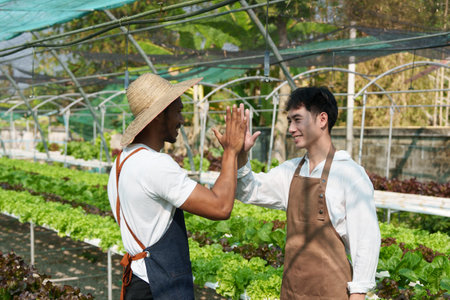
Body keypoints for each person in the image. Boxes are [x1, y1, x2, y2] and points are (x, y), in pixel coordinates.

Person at [107, 73, 246, 300]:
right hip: (159, 287)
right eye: (178, 111)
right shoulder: (155, 165)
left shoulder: (122, 162)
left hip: (138, 282)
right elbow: (220, 207)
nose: (182, 120)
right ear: (160, 115)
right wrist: (230, 151)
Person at [236, 87, 380, 300]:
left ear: (322, 119)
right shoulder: (290, 171)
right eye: (290, 121)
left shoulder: (349, 174)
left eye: (297, 120)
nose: (291, 129)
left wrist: (357, 293)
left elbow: (367, 241)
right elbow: (248, 190)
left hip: (331, 293)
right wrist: (241, 154)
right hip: (292, 292)